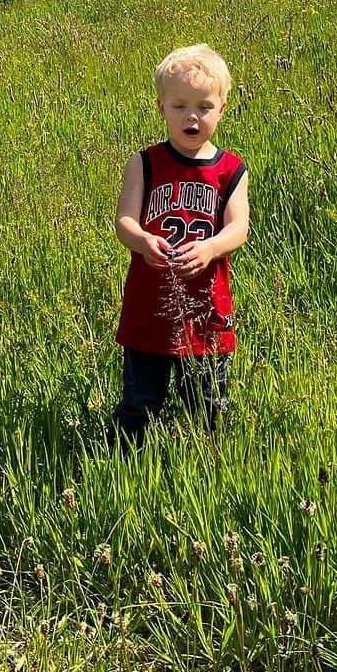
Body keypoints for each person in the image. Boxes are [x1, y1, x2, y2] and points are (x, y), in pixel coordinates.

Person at [111, 44, 249, 446]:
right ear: (161, 107)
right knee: (140, 400)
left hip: (206, 308)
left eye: (204, 107)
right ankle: (126, 464)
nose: (192, 116)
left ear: (222, 108)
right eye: (179, 106)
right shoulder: (145, 162)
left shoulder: (231, 170)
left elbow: (239, 227)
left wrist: (210, 248)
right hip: (148, 306)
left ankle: (209, 465)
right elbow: (124, 221)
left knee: (207, 404)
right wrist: (141, 240)